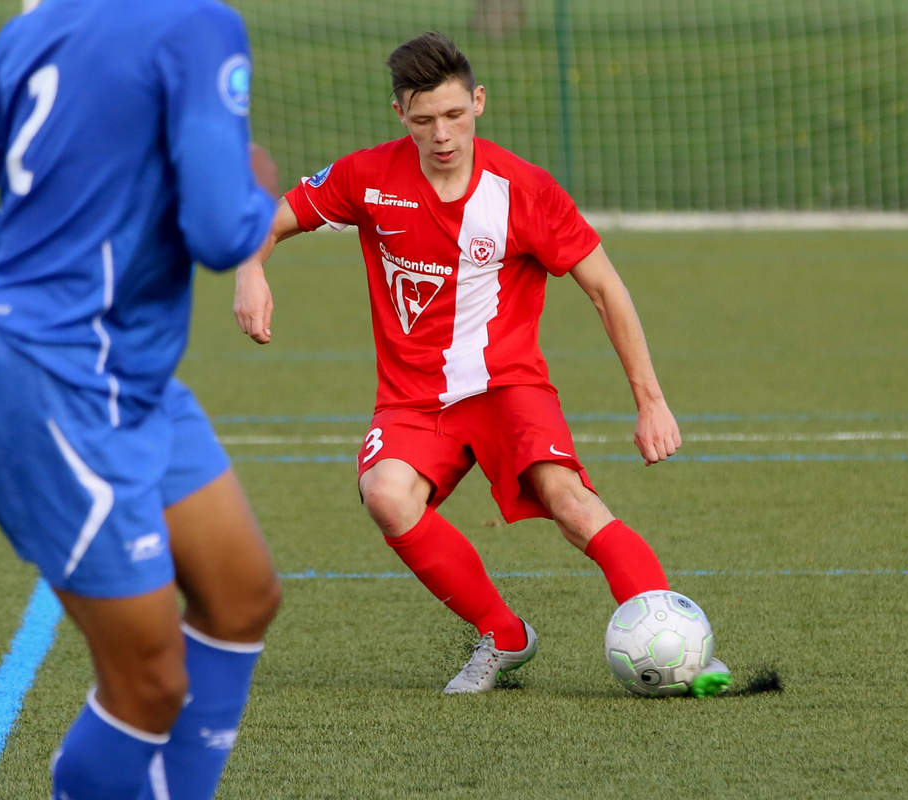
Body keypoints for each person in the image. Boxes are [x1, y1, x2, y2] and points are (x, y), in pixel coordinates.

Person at [234, 32, 730, 696]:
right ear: (399, 117)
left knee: (571, 502)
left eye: (454, 114)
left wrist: (652, 401)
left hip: (507, 387)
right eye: (424, 120)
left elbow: (606, 288)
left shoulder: (523, 190)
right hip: (413, 399)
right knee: (386, 495)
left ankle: (676, 640)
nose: (442, 133)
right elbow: (271, 220)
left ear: (479, 102)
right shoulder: (366, 177)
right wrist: (249, 272)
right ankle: (503, 634)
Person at [0, 1, 280, 797]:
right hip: (52, 383)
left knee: (242, 594)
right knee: (149, 681)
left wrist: (24, 283)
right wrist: (258, 193)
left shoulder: (37, 25)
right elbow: (221, 231)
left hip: (127, 374)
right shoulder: (198, 25)